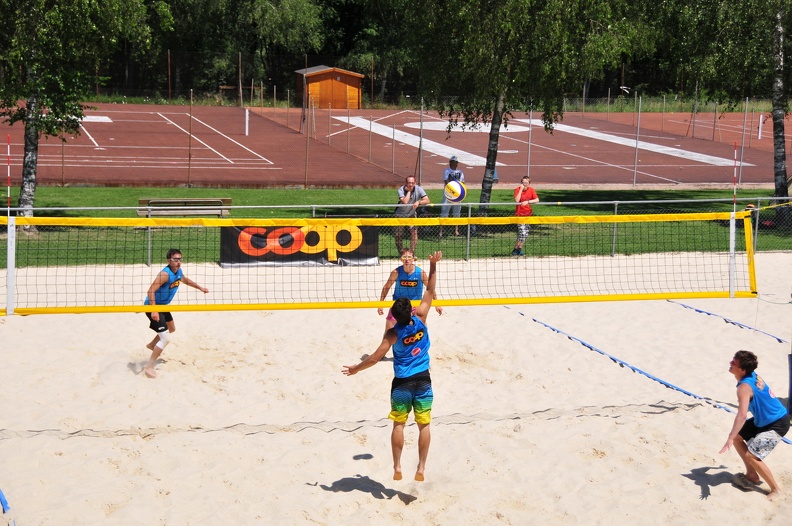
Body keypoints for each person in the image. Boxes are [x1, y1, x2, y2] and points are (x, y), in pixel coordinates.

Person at [343, 251, 443, 482]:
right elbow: (429, 291)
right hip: (423, 379)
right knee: (424, 425)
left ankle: (397, 466)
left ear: (394, 316)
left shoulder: (392, 333)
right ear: (410, 311)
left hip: (402, 383)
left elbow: (374, 358)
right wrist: (433, 265)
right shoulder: (421, 319)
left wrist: (356, 369)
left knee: (399, 424)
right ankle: (421, 468)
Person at [719, 350, 789, 501]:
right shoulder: (752, 375)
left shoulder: (743, 387)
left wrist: (729, 438)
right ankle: (751, 475)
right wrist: (733, 437)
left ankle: (776, 489)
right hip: (763, 420)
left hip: (777, 423)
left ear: (742, 369)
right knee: (738, 437)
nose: (730, 363)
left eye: (734, 363)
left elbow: (742, 414)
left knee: (752, 455)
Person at [143, 248, 209, 378]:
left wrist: (200, 287)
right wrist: (154, 309)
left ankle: (152, 345)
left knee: (171, 328)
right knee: (166, 338)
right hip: (153, 306)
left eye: (180, 259)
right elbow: (150, 291)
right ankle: (149, 366)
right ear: (169, 260)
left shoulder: (178, 271)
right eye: (176, 260)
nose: (179, 262)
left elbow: (185, 280)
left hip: (163, 306)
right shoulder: (165, 274)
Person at [377, 248, 442, 333]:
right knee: (388, 333)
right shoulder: (396, 272)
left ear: (413, 258)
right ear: (401, 259)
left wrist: (437, 304)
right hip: (398, 306)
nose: (407, 259)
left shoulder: (420, 273)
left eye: (409, 257)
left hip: (414, 306)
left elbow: (431, 289)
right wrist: (381, 304)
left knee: (421, 333)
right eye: (404, 257)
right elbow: (386, 287)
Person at [394, 175, 430, 253]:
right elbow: (405, 202)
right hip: (400, 215)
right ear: (406, 183)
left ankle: (411, 253)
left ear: (415, 183)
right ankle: (401, 253)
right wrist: (409, 191)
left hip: (411, 214)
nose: (411, 185)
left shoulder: (419, 189)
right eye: (409, 183)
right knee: (398, 235)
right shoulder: (401, 190)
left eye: (412, 183)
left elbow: (427, 200)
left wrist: (419, 202)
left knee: (414, 233)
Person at [512, 175, 539, 256]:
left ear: (529, 183)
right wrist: (520, 189)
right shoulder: (517, 189)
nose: (524, 184)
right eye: (523, 182)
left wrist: (528, 201)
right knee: (522, 233)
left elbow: (537, 200)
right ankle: (516, 249)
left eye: (526, 183)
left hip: (528, 215)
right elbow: (517, 200)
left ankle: (518, 249)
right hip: (519, 215)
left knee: (525, 234)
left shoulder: (531, 190)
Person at [439, 155, 465, 237]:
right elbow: (446, 181)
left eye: (455, 162)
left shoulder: (460, 172)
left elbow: (462, 182)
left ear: (457, 163)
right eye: (452, 162)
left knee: (457, 212)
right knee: (444, 211)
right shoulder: (446, 171)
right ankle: (441, 231)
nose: (453, 164)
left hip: (457, 195)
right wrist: (453, 189)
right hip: (448, 194)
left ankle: (456, 230)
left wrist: (458, 190)